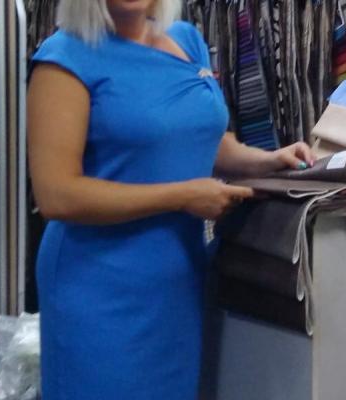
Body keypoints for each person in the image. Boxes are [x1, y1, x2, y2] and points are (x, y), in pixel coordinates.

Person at [27, 0, 314, 398]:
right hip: (99, 289)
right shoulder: (64, 58)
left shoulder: (186, 40)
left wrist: (267, 160)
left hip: (178, 282)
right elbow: (57, 194)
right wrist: (182, 196)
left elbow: (197, 136)